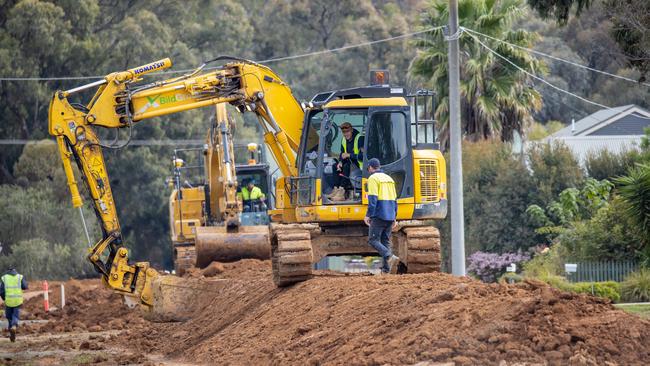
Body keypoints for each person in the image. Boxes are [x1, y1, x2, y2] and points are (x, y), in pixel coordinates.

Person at [363, 158, 400, 274]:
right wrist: (395, 216)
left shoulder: (373, 178)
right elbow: (395, 200)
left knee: (373, 240)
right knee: (385, 241)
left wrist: (368, 215)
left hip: (379, 214)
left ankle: (389, 256)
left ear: (370, 167)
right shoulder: (389, 178)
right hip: (390, 214)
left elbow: (373, 198)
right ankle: (386, 270)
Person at [1, 267, 27, 342]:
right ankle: (14, 326)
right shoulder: (20, 277)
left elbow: (1, 291)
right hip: (17, 300)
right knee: (15, 315)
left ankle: (12, 332)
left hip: (8, 301)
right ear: (15, 271)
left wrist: (4, 298)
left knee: (9, 317)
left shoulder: (4, 278)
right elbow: (25, 286)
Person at [336, 121, 364, 190]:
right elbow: (342, 154)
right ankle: (336, 188)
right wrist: (340, 162)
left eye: (347, 132)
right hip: (350, 164)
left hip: (360, 167)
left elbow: (363, 156)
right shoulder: (343, 140)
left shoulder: (360, 139)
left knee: (346, 166)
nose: (346, 134)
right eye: (344, 132)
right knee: (335, 166)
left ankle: (342, 190)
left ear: (351, 130)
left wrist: (349, 155)